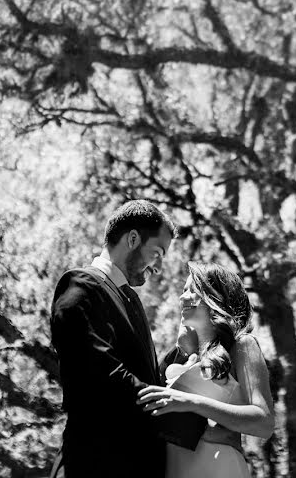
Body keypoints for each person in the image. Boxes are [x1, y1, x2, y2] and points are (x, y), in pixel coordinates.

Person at [48, 200, 205, 478]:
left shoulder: (130, 299)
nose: (158, 268)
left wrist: (179, 353)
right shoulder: (82, 285)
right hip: (96, 462)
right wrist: (188, 419)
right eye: (156, 253)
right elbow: (101, 372)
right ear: (132, 239)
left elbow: (142, 377)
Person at [137, 262, 275, 478]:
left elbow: (264, 422)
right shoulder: (178, 360)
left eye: (193, 290)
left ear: (216, 297)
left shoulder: (242, 346)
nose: (183, 298)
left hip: (219, 467)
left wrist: (191, 402)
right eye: (183, 291)